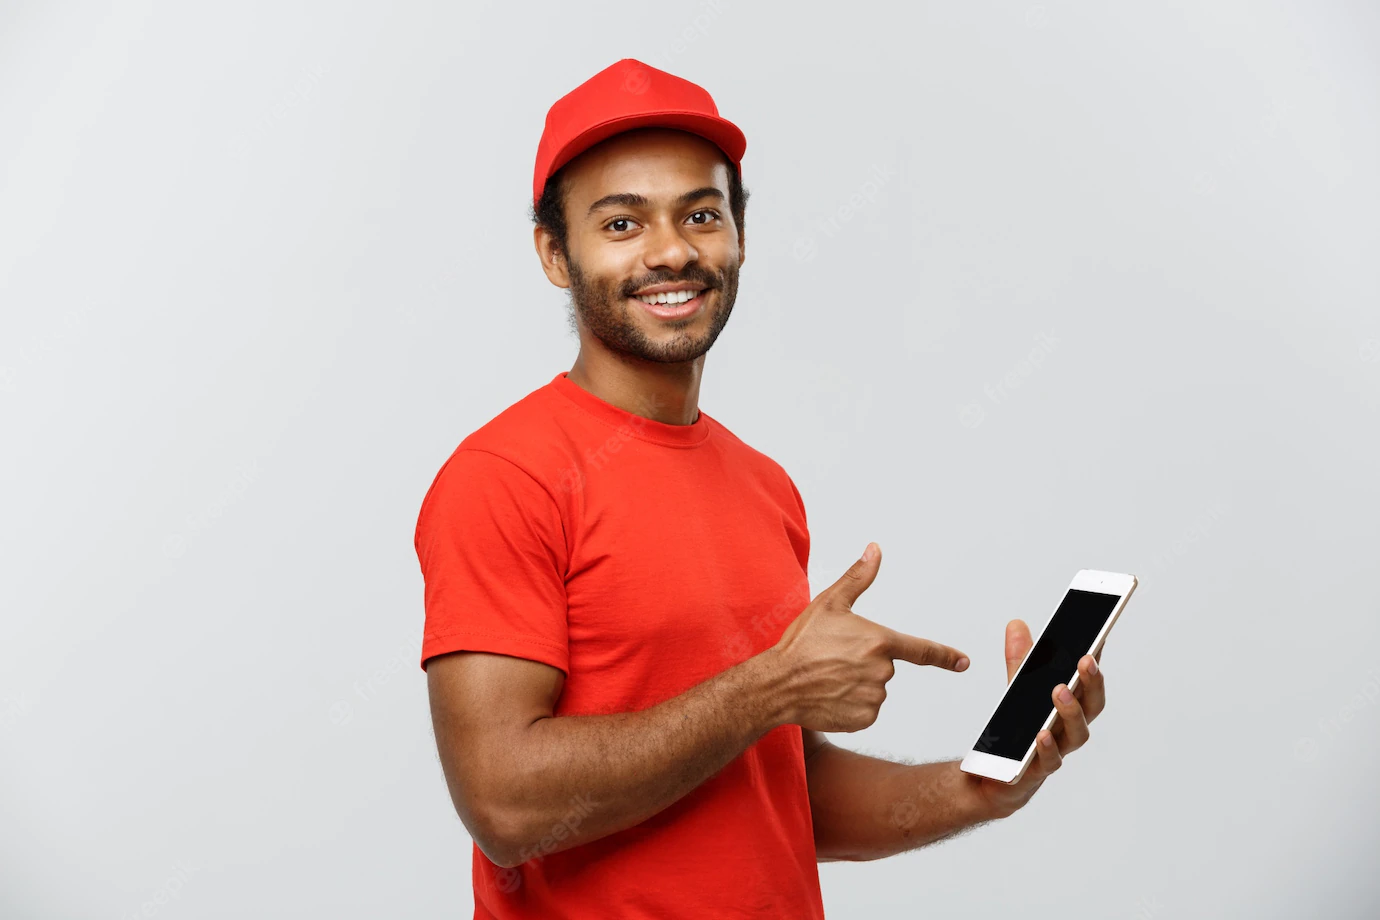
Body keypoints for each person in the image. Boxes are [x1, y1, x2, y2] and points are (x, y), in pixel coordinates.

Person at [414, 58, 1108, 919]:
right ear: (556, 253)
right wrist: (772, 686)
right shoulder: (504, 477)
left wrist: (983, 785)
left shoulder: (763, 486)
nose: (671, 251)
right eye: (622, 223)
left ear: (738, 236)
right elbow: (504, 806)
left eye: (701, 214)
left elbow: (775, 783)